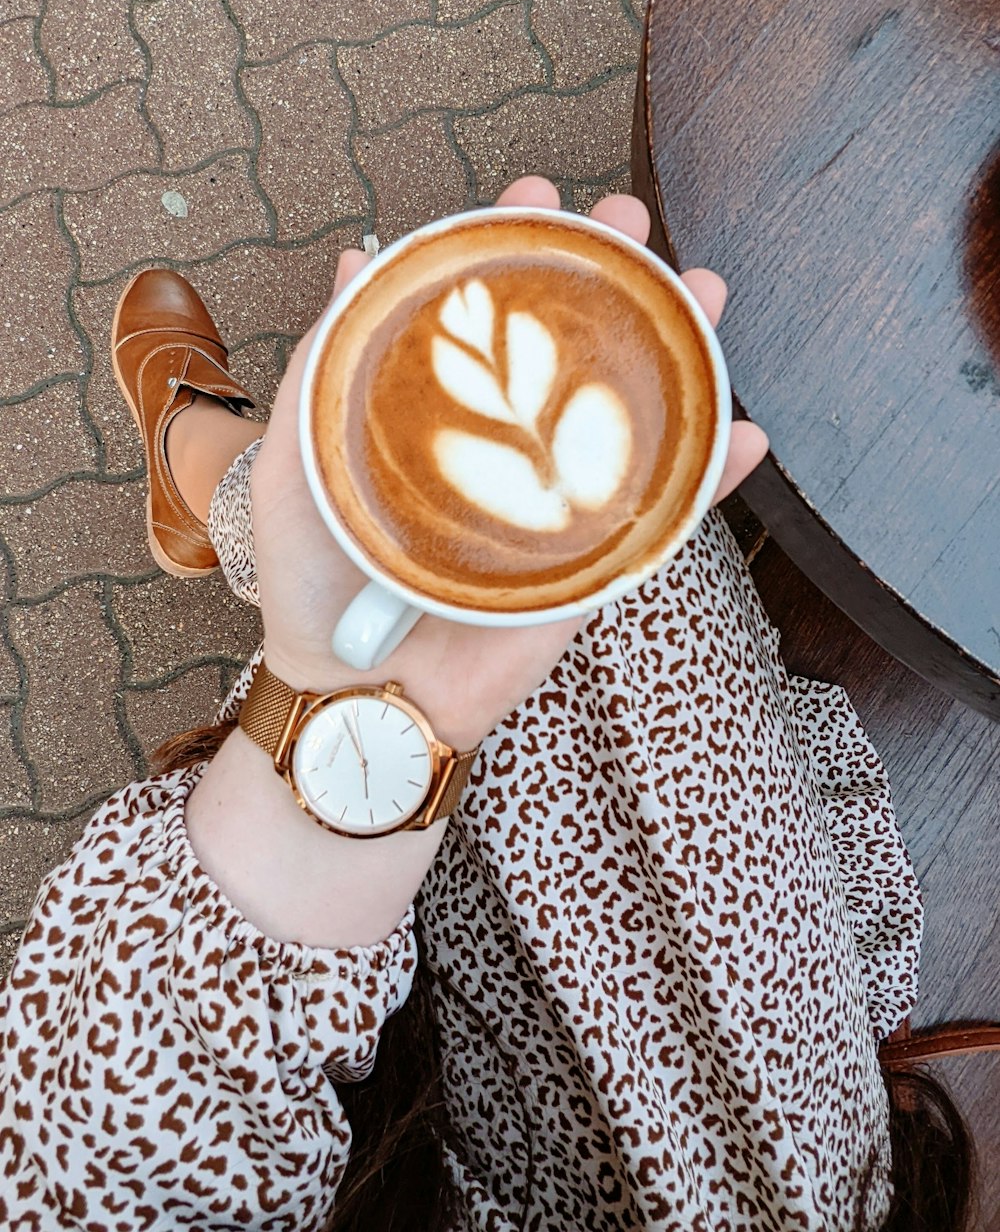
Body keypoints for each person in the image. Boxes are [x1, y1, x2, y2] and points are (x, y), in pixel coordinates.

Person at [0, 180, 975, 1231]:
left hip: (501, 1153)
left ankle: (196, 448)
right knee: (610, 559)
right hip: (804, 1143)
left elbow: (105, 1142)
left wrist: (326, 706)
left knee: (396, 554)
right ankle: (223, 476)